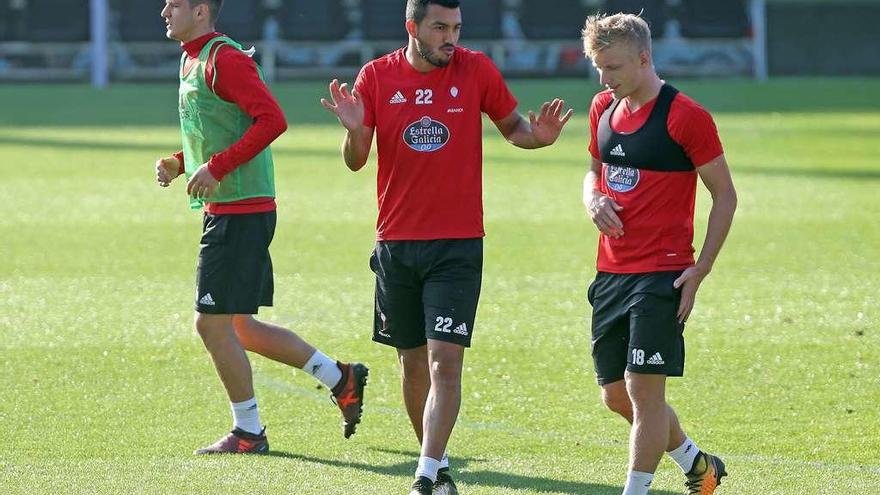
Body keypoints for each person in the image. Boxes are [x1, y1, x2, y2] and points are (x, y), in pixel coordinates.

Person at [321, 1, 572, 493]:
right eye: (440, 27)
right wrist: (353, 132)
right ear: (412, 27)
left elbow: (515, 128)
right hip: (396, 244)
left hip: (457, 245)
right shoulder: (375, 77)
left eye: (456, 28)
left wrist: (538, 137)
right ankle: (437, 469)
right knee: (412, 364)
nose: (450, 38)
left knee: (444, 361)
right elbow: (356, 161)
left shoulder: (475, 69)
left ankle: (424, 475)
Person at [154, 0, 368, 454]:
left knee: (210, 327)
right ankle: (340, 377)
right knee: (240, 328)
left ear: (201, 11)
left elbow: (272, 119)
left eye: (174, 4)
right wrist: (181, 162)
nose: (164, 11)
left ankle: (249, 432)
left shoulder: (224, 58)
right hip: (229, 209)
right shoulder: (193, 57)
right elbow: (220, 129)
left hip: (242, 211)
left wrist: (217, 166)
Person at [581, 12, 737, 495]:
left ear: (644, 58)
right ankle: (697, 464)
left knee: (644, 391)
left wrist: (701, 268)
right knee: (614, 396)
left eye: (615, 68)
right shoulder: (603, 107)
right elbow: (592, 171)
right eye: (599, 68)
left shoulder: (685, 115)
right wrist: (593, 198)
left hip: (662, 273)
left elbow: (725, 195)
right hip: (610, 271)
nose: (606, 79)